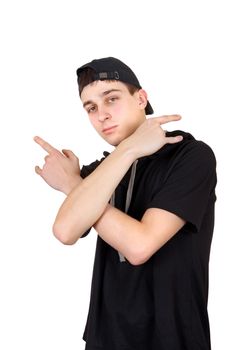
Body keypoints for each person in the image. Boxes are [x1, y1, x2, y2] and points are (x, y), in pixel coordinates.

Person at [34, 57, 217, 350]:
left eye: (112, 99)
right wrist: (121, 156)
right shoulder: (99, 175)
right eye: (91, 108)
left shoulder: (191, 156)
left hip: (174, 338)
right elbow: (65, 231)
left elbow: (139, 246)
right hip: (104, 340)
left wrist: (72, 184)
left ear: (141, 98)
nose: (102, 115)